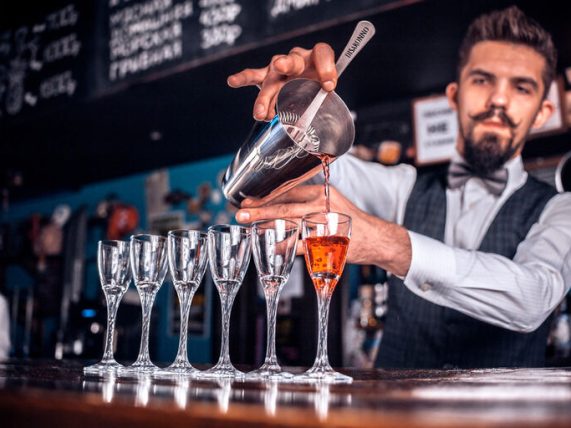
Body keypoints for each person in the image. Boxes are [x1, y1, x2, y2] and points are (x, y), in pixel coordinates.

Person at [227, 5, 571, 369]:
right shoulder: (402, 187)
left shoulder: (560, 208)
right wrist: (296, 115)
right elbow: (315, 173)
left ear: (542, 112)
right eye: (483, 80)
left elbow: (534, 297)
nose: (498, 100)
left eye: (521, 88)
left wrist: (389, 245)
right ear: (454, 95)